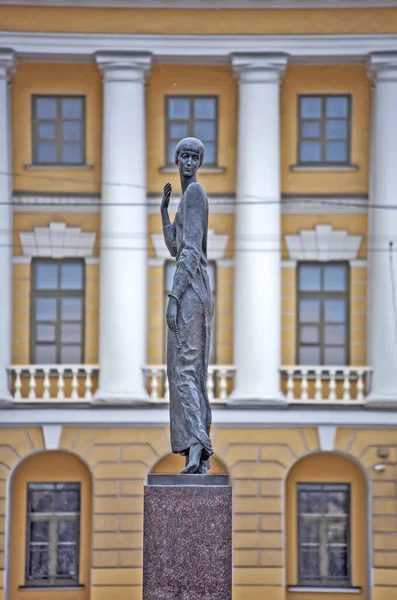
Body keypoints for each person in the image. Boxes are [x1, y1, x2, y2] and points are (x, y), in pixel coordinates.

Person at [161, 137, 214, 474]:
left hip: (191, 289)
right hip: (190, 286)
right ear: (176, 159)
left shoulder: (195, 194)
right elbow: (174, 248)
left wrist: (174, 296)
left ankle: (198, 444)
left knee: (184, 370)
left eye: (195, 157)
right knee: (184, 370)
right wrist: (164, 214)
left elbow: (191, 252)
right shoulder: (185, 199)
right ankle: (196, 448)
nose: (189, 162)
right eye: (185, 156)